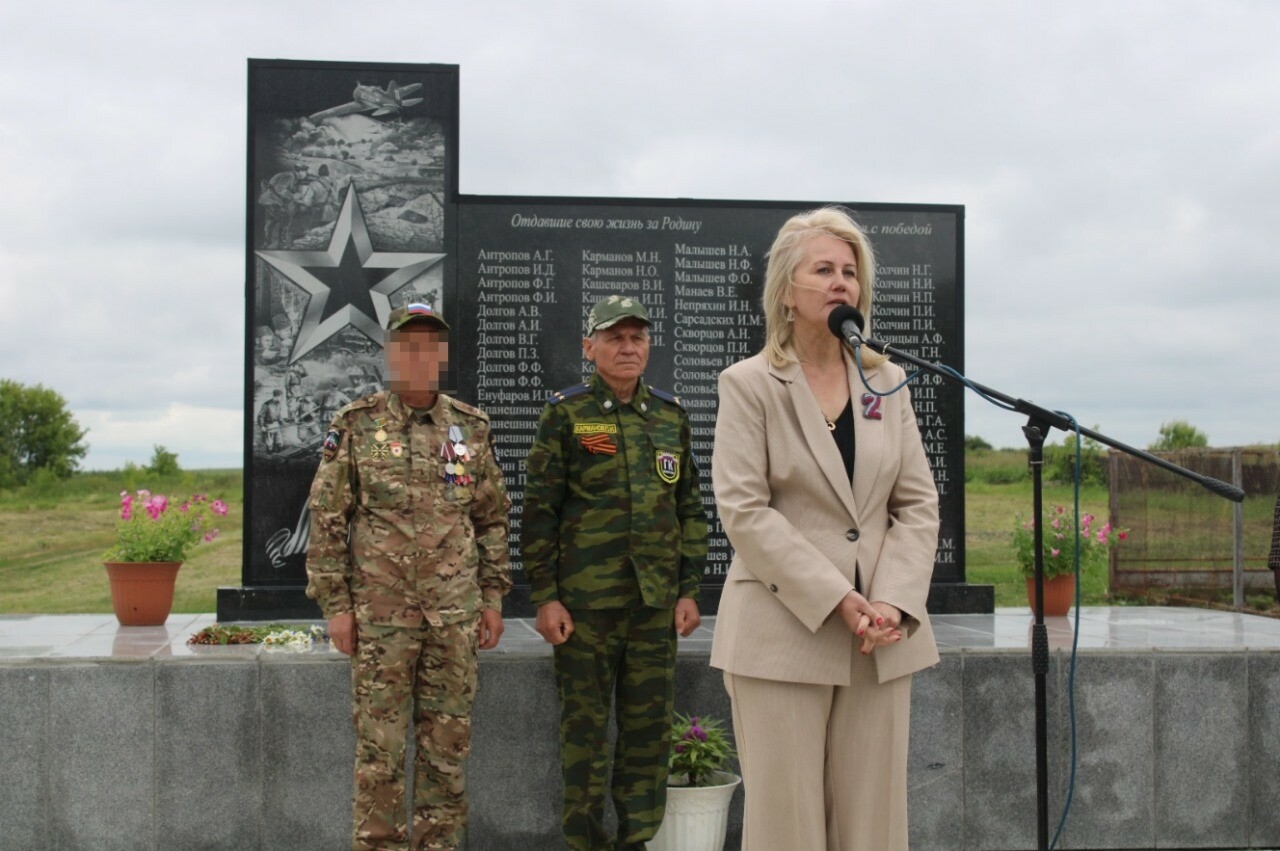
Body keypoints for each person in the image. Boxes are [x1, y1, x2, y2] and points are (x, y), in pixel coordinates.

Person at [709, 207, 941, 851]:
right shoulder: (748, 384)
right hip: (783, 634)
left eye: (851, 272)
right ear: (787, 290)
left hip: (879, 638)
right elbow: (745, 510)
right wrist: (838, 597)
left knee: (874, 827)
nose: (842, 282)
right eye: (824, 270)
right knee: (788, 828)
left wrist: (891, 599)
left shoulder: (886, 380)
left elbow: (917, 504)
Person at [305, 302, 511, 851]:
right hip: (381, 622)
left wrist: (492, 598)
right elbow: (327, 521)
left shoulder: (470, 428)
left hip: (454, 618)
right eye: (407, 346)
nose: (419, 356)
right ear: (391, 355)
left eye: (429, 346)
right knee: (380, 755)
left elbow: (491, 518)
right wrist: (337, 608)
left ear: (441, 355)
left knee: (447, 752)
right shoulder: (356, 424)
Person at [521, 294, 708, 851]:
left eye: (637, 338)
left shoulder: (671, 416)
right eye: (614, 338)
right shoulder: (566, 413)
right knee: (584, 736)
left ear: (648, 346)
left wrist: (689, 589)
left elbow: (690, 509)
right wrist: (546, 597)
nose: (628, 348)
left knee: (647, 737)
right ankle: (584, 842)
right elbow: (539, 511)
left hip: (653, 607)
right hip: (584, 610)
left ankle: (637, 840)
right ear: (590, 347)